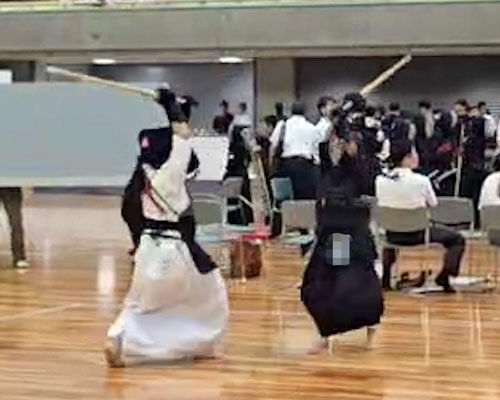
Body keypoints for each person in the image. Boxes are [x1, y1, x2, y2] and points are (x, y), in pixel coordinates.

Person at [105, 89, 228, 367]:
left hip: (147, 248)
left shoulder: (142, 178)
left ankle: (117, 336)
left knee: (138, 301)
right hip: (172, 251)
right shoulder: (171, 173)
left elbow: (129, 215)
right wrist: (171, 105)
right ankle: (199, 342)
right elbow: (182, 138)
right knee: (210, 291)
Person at [301, 139, 383, 352]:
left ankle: (368, 329)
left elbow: (366, 187)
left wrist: (353, 154)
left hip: (351, 235)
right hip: (333, 235)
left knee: (354, 285)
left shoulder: (360, 170)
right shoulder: (326, 171)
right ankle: (327, 332)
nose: (337, 147)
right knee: (321, 286)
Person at [376, 139, 465, 293]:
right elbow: (433, 203)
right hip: (417, 234)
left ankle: (386, 278)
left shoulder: (380, 180)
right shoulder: (421, 181)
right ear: (407, 158)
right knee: (457, 239)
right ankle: (444, 276)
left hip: (391, 234)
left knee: (392, 233)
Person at [270, 102, 322, 199]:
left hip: (286, 165)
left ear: (291, 111)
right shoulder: (312, 128)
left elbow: (273, 146)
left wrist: (271, 166)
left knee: (285, 197)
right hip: (305, 165)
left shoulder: (283, 125)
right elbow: (316, 149)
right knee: (304, 198)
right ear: (304, 112)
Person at [0, 188, 28, 268]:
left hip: (11, 189)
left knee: (15, 222)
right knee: (16, 222)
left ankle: (19, 257)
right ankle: (19, 257)